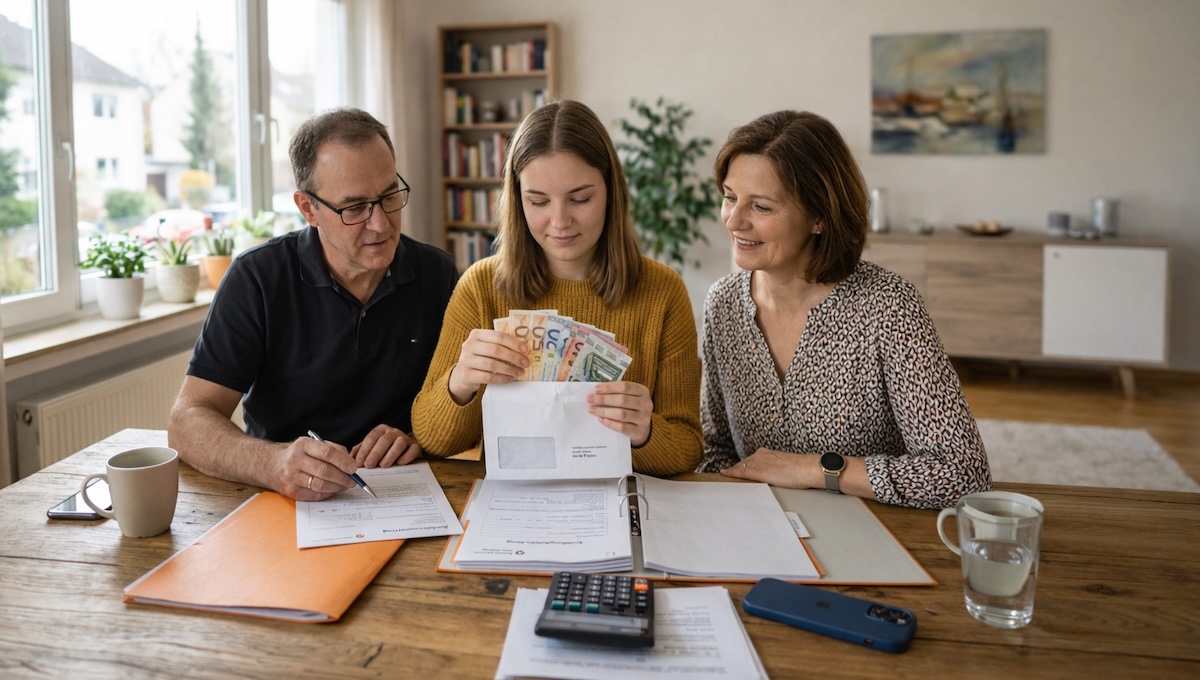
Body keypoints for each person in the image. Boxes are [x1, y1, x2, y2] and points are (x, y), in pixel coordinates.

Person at [698, 110, 990, 508]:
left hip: (876, 532)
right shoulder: (723, 303)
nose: (733, 220)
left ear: (818, 217)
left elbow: (963, 473)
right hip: (758, 531)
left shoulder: (887, 306)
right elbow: (715, 449)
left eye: (762, 207)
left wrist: (813, 469)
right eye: (730, 197)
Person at [168, 108, 457, 500]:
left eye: (390, 196)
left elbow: (465, 402)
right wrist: (273, 463)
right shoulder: (258, 279)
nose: (381, 224)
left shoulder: (436, 272)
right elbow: (187, 421)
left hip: (404, 496)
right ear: (308, 208)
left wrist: (417, 435)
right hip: (282, 502)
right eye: (354, 208)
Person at [412, 100, 702, 476]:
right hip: (514, 510)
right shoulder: (481, 287)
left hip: (620, 505)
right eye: (538, 201)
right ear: (517, 200)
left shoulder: (663, 292)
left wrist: (644, 432)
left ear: (611, 192)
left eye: (580, 199)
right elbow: (433, 439)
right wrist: (461, 381)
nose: (560, 221)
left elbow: (687, 448)